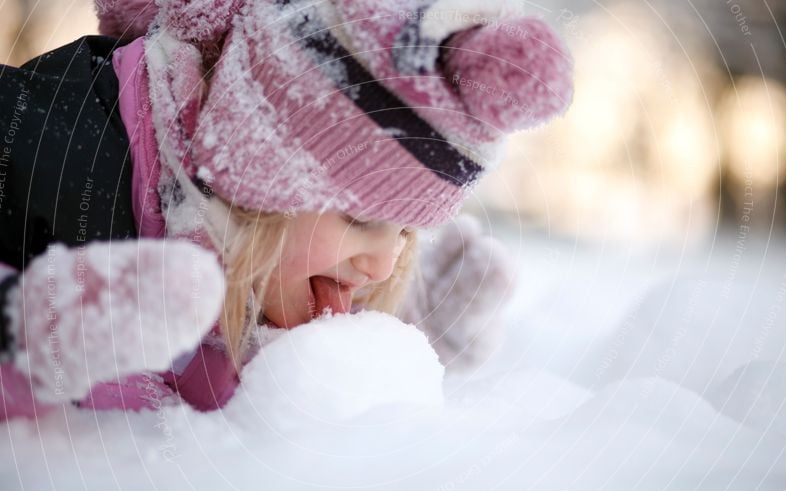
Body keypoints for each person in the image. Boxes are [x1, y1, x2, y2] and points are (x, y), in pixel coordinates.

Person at [0, 0, 573, 420]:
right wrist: (23, 336)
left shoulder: (247, 247)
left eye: (405, 230)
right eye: (362, 219)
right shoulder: (47, 156)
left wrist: (401, 333)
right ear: (263, 169)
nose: (382, 264)